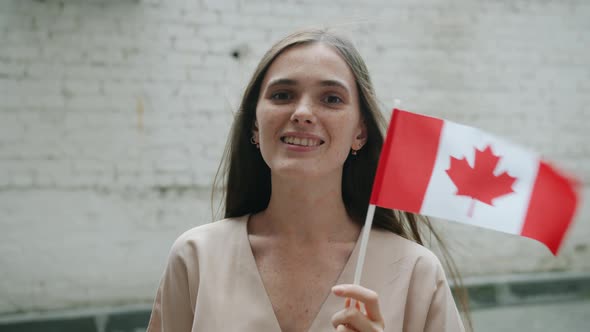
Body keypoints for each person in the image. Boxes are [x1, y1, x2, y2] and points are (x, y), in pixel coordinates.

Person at [146, 28, 467, 332]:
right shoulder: (196, 257)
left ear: (360, 132)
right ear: (255, 127)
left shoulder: (417, 273)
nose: (302, 112)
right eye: (283, 94)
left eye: (331, 99)